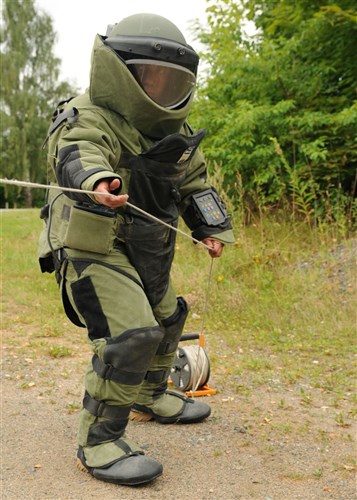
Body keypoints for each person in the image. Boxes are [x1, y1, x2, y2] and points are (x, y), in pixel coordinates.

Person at [38, 13, 235, 487]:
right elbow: (78, 150)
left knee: (169, 318)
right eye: (151, 76)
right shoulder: (89, 115)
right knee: (132, 334)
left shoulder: (179, 137)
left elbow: (195, 185)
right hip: (94, 244)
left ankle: (150, 395)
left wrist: (211, 227)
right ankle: (100, 441)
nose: (161, 88)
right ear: (119, 72)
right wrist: (96, 181)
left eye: (172, 81)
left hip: (150, 245)